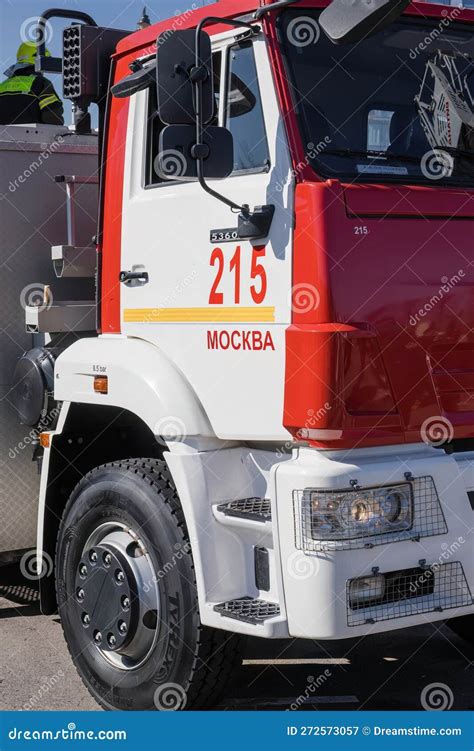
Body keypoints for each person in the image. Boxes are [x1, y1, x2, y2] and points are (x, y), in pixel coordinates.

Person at [0, 42, 64, 125]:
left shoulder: (2, 86)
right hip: (32, 137)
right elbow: (52, 117)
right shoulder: (41, 83)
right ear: (40, 61)